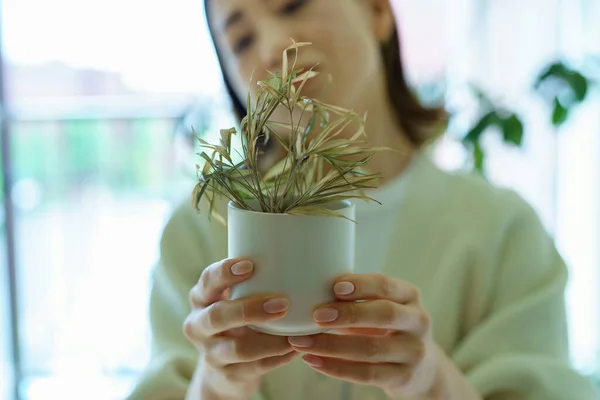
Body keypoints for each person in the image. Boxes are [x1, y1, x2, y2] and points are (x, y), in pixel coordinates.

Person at [127, 0, 600, 399]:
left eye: (293, 4)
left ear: (376, 10)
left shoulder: (503, 231)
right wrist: (217, 379)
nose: (273, 48)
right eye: (242, 41)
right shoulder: (200, 232)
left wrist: (429, 380)